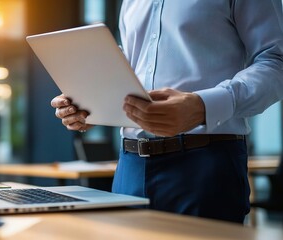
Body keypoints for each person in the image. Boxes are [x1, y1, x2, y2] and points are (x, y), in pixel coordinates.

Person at [51, 0, 283, 224]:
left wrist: (202, 106)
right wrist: (94, 103)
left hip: (205, 164)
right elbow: (136, 67)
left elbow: (275, 62)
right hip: (130, 165)